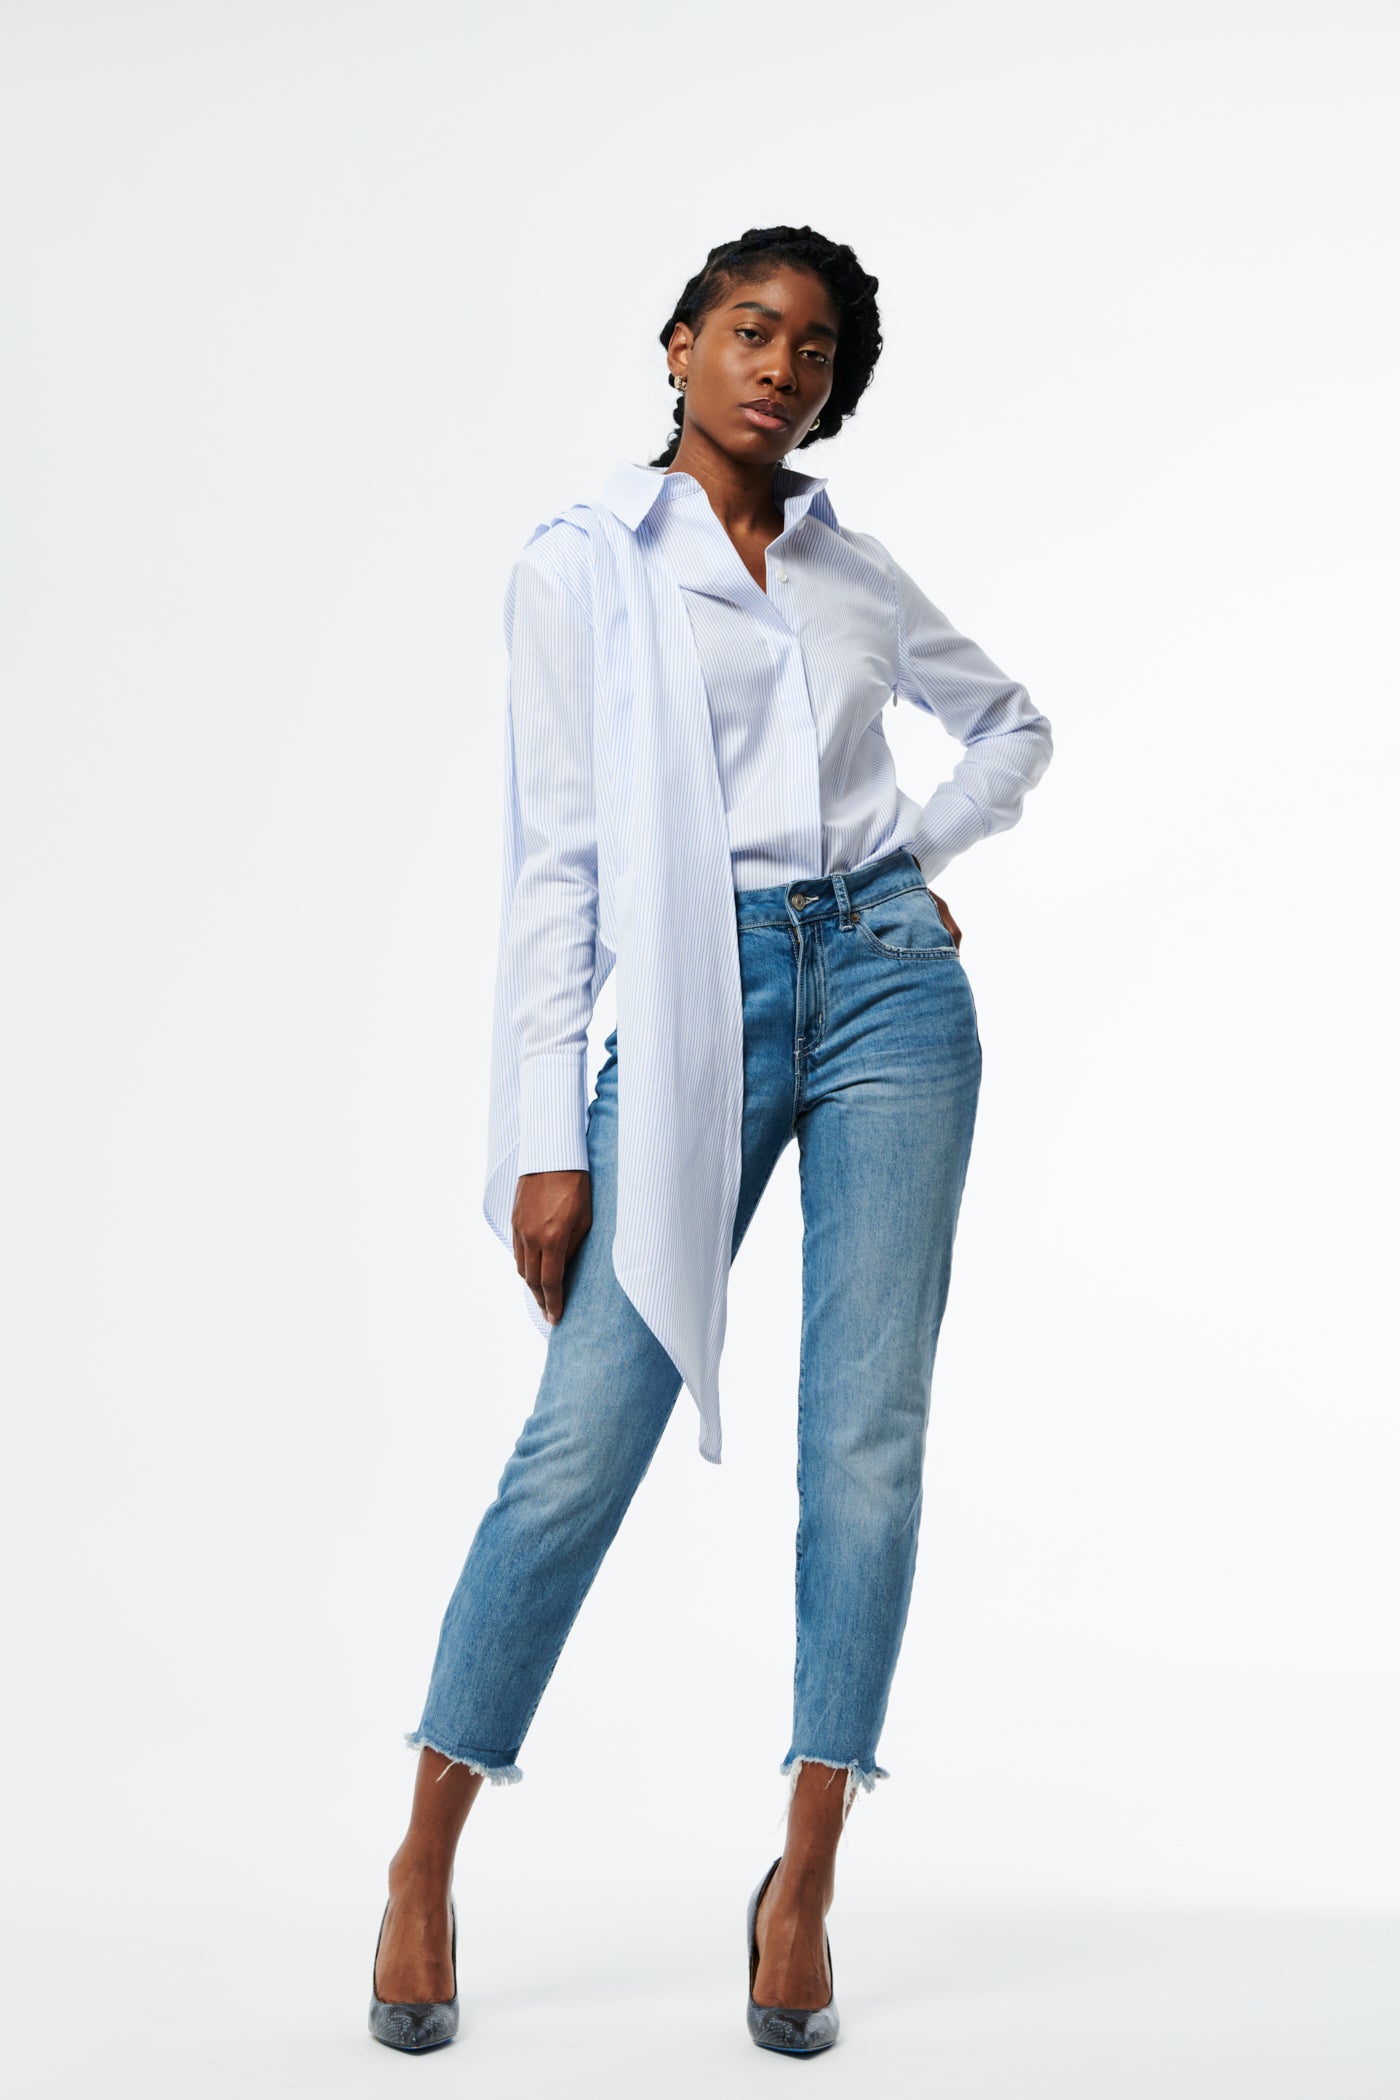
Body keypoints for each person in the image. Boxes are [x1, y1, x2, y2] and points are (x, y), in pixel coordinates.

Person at [368, 223, 1053, 2057]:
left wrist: (916, 860)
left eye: (816, 350)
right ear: (678, 345)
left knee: (869, 1444)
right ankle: (426, 1851)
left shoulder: (851, 570)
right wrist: (544, 1128)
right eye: (752, 330)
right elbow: (556, 863)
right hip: (697, 1002)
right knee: (581, 1438)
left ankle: (805, 1877)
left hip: (894, 994)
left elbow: (1009, 723)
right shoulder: (585, 565)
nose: (781, 368)